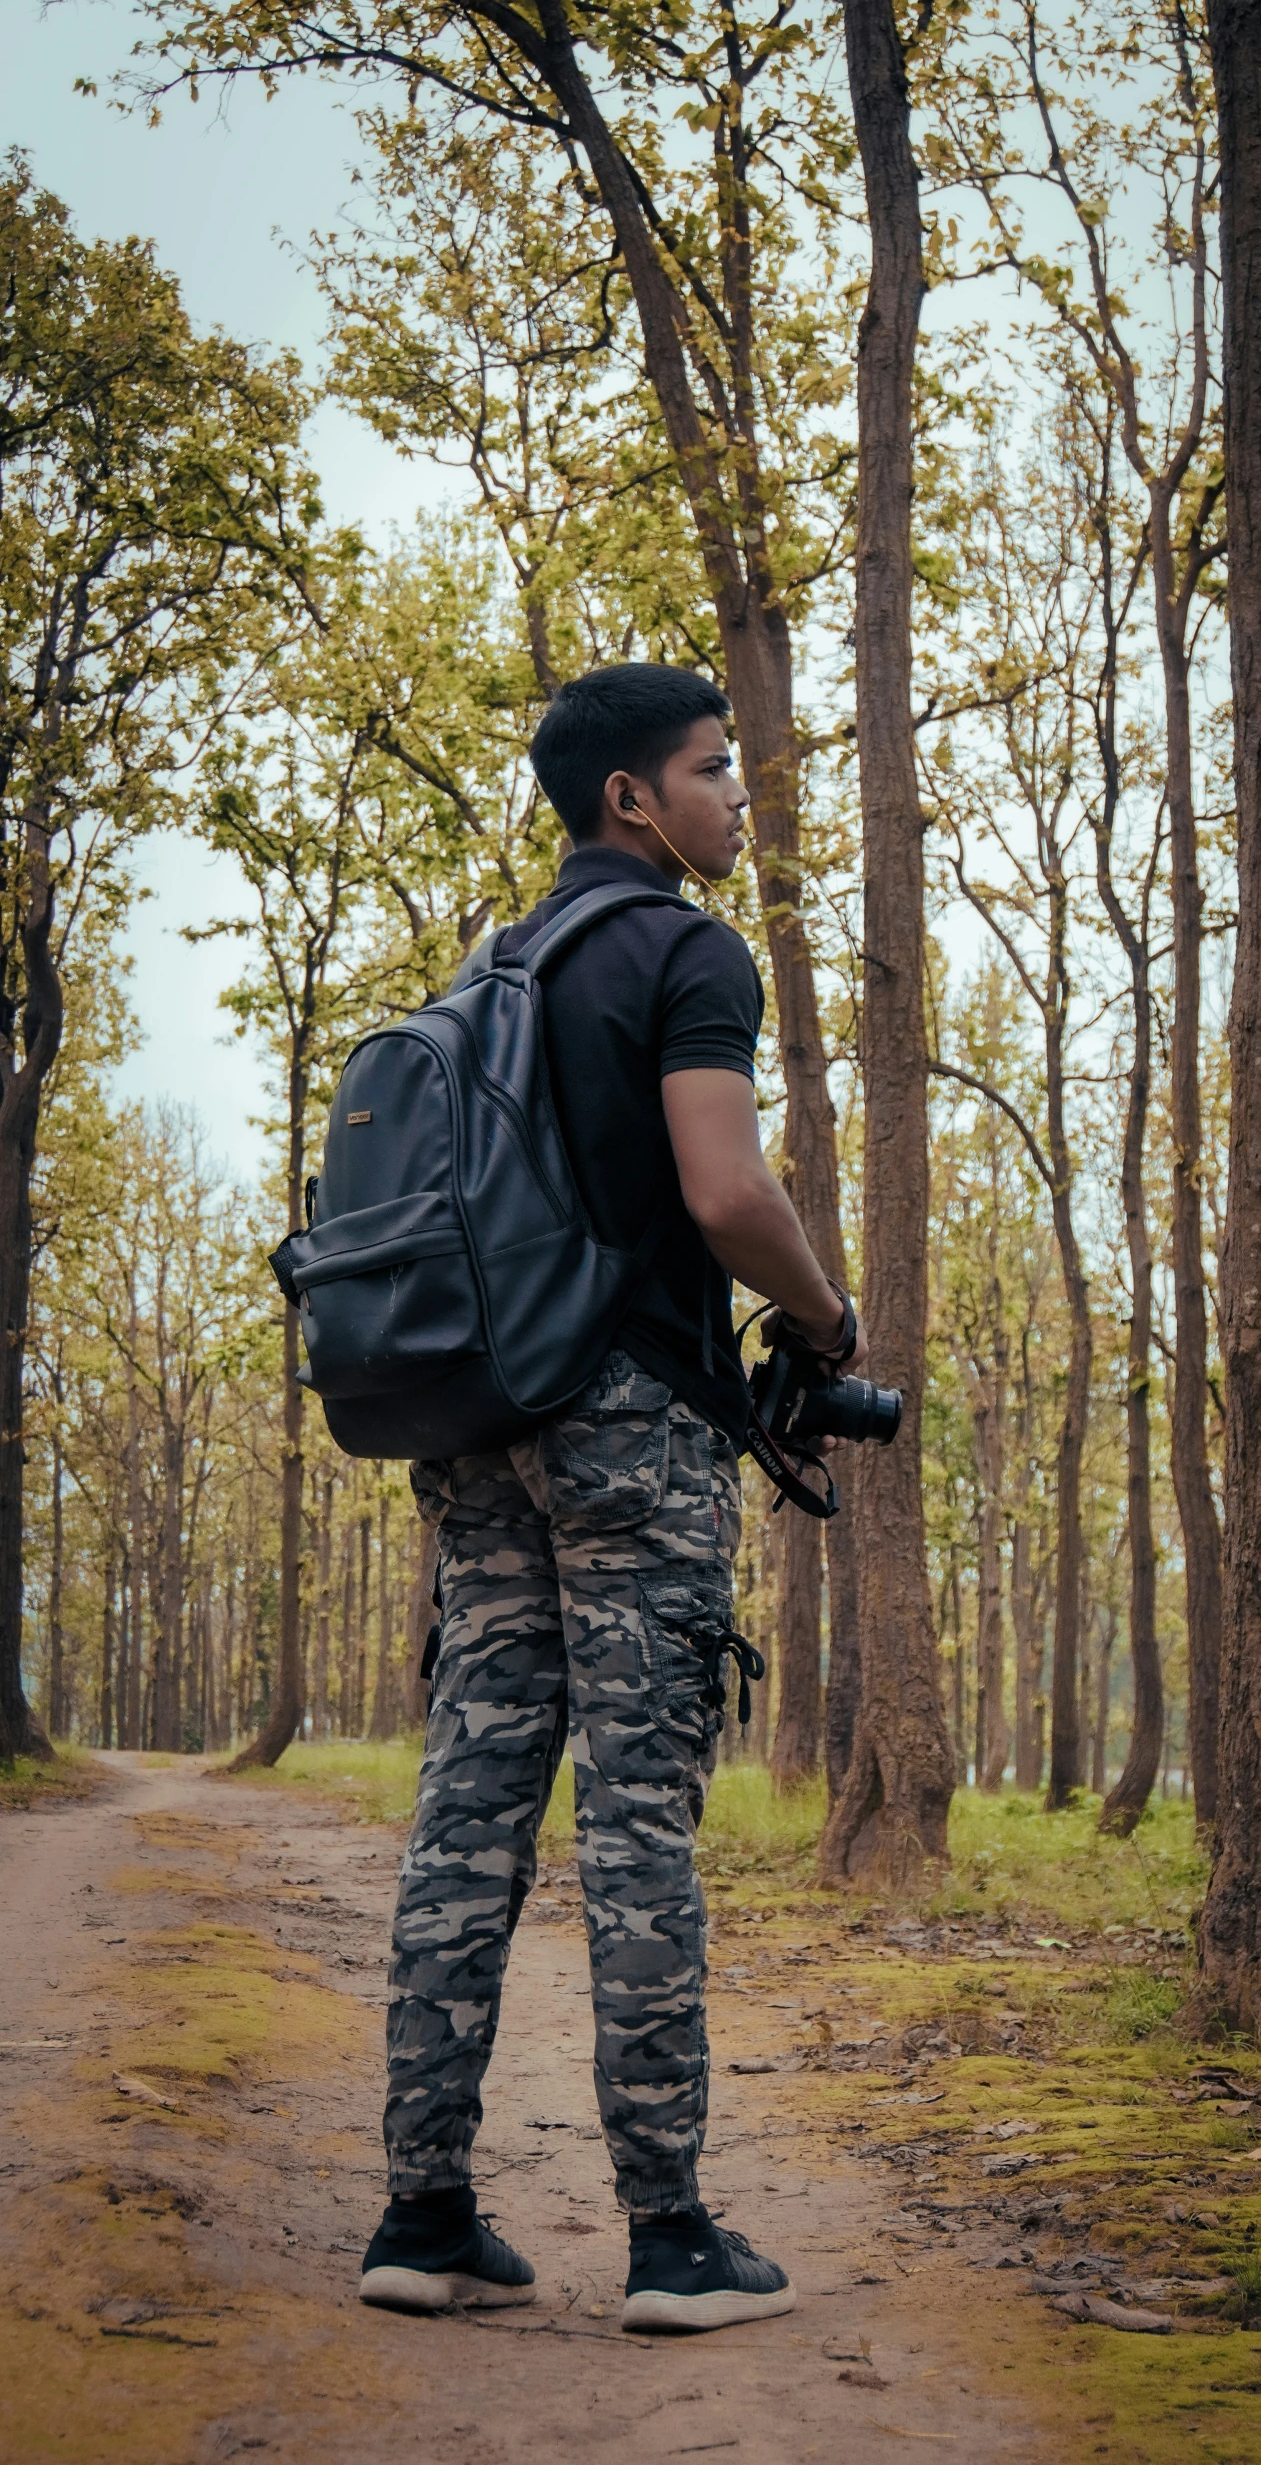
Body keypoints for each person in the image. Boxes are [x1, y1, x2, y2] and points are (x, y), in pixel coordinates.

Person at [359, 663, 867, 2333]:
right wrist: (820, 1316)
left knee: (472, 1804)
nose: (738, 799)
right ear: (632, 800)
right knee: (641, 1819)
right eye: (716, 771)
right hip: (628, 1431)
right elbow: (722, 1187)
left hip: (479, 1424)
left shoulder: (490, 968)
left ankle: (423, 2213)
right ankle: (668, 2238)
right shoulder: (682, 950)